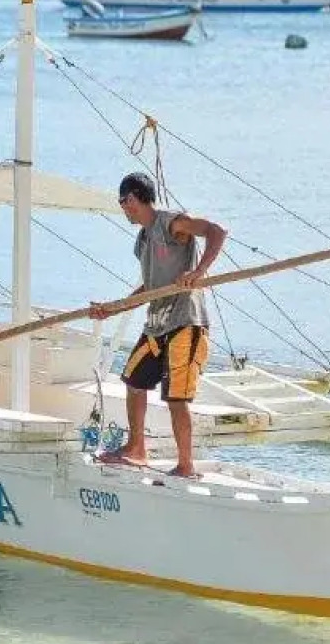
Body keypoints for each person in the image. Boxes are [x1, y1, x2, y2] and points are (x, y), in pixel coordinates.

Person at [88, 171, 227, 479]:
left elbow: (216, 231)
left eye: (124, 201)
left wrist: (199, 271)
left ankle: (186, 466)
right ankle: (136, 448)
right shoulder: (143, 239)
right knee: (134, 379)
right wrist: (112, 309)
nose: (123, 208)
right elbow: (149, 289)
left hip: (185, 323)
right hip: (157, 325)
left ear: (136, 198)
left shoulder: (171, 224)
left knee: (176, 397)